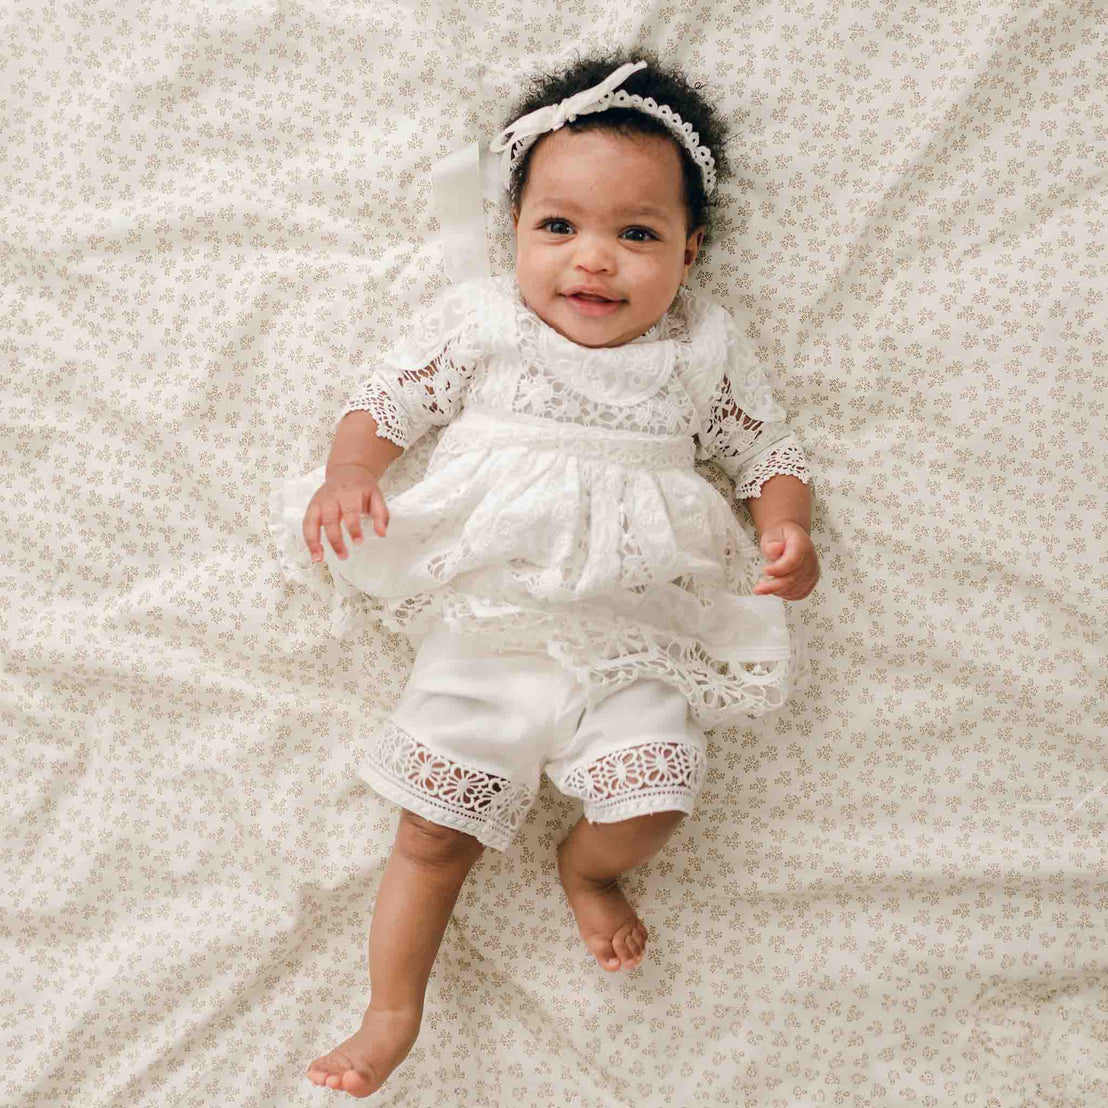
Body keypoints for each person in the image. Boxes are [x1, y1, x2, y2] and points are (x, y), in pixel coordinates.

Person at [268, 51, 819, 1098]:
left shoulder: (701, 350)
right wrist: (351, 474)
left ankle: (589, 865)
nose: (595, 262)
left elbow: (768, 454)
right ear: (511, 235)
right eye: (558, 228)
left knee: (656, 797)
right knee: (431, 829)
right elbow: (388, 402)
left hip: (635, 634)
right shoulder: (488, 324)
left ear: (690, 250)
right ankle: (391, 1012)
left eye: (638, 233)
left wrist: (787, 528)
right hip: (493, 626)